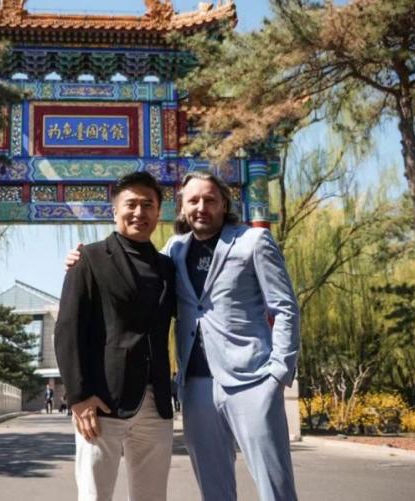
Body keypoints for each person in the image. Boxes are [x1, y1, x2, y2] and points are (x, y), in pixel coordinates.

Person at [67, 170, 300, 501]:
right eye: (193, 200)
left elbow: (285, 307)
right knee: (214, 488)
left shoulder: (254, 241)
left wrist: (279, 371)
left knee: (274, 486)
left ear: (224, 204)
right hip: (196, 386)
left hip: (252, 380)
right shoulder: (175, 250)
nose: (201, 207)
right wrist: (82, 260)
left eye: (210, 200)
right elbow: (128, 266)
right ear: (181, 208)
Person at [54, 171, 175, 501]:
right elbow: (67, 330)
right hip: (101, 402)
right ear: (114, 211)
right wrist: (79, 397)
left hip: (156, 402)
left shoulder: (168, 268)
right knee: (95, 495)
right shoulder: (89, 259)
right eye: (130, 204)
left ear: (158, 212)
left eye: (147, 205)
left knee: (152, 496)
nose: (139, 212)